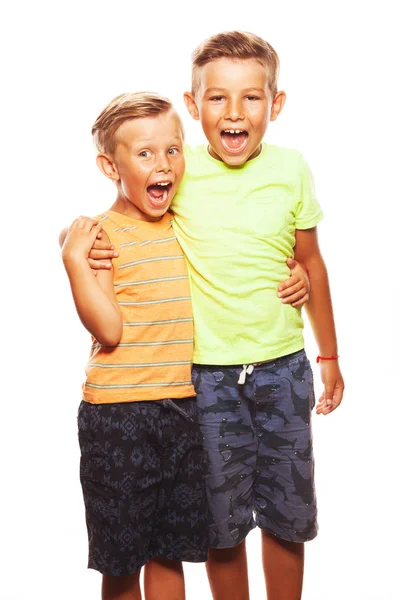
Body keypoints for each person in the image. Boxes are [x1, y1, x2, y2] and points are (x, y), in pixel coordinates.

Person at [67, 31, 341, 600]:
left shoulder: (288, 169)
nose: (234, 113)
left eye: (251, 98)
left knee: (287, 515)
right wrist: (69, 237)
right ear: (194, 108)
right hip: (205, 381)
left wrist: (328, 349)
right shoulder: (179, 170)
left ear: (276, 103)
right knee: (220, 525)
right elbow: (120, 206)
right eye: (217, 98)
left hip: (282, 368)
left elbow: (307, 260)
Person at [61, 91, 209, 600]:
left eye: (173, 149)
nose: (163, 164)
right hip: (119, 415)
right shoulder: (100, 237)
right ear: (110, 165)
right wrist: (75, 262)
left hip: (183, 407)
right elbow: (109, 330)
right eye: (144, 153)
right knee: (123, 559)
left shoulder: (189, 226)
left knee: (170, 552)